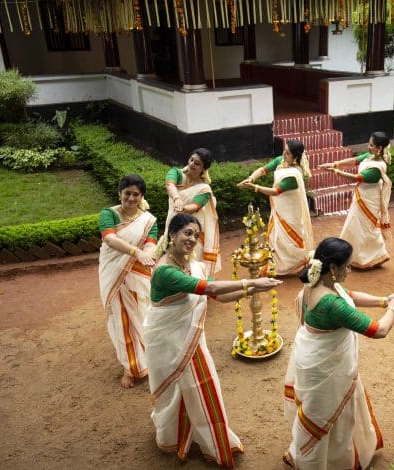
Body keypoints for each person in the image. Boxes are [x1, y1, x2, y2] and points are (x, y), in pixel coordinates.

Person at [145, 213, 282, 467]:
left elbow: (217, 297)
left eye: (196, 236)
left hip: (190, 339)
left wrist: (252, 290)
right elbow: (209, 289)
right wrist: (252, 280)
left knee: (196, 387)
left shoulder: (191, 265)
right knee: (180, 389)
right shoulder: (165, 271)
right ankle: (180, 436)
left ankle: (204, 437)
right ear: (172, 235)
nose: (192, 239)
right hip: (168, 342)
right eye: (187, 233)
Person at [283, 237, 394, 468]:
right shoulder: (332, 305)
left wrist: (384, 301)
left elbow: (350, 295)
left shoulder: (316, 283)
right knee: (330, 417)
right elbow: (379, 330)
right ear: (333, 268)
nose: (350, 269)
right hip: (328, 371)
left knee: (318, 415)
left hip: (313, 361)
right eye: (347, 266)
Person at [97, 174, 158, 388]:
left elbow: (151, 243)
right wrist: (136, 252)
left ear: (142, 197)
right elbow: (110, 239)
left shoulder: (148, 220)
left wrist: (147, 255)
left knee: (142, 313)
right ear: (120, 193)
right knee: (121, 319)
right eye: (127, 193)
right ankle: (129, 367)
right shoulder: (109, 214)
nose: (131, 198)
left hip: (138, 272)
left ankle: (149, 359)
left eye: (136, 194)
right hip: (114, 271)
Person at [318, 131, 392, 269]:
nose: (368, 147)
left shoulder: (378, 167)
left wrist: (336, 172)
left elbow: (357, 178)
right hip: (361, 197)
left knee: (366, 228)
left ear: (379, 148)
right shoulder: (370, 157)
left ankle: (371, 257)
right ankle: (355, 254)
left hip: (369, 200)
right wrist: (335, 164)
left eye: (371, 145)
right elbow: (354, 160)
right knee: (355, 226)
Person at [238, 140, 314, 275]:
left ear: (295, 157)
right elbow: (263, 169)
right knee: (275, 236)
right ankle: (278, 265)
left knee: (289, 239)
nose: (284, 154)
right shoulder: (281, 160)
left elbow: (275, 191)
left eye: (288, 153)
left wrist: (254, 187)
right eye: (284, 150)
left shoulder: (294, 174)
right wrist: (251, 178)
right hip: (279, 208)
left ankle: (295, 264)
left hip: (290, 211)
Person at [160, 148, 221, 276]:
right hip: (173, 223)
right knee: (170, 254)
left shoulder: (204, 188)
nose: (192, 164)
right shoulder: (176, 172)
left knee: (192, 260)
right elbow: (169, 185)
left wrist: (182, 208)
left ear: (203, 169)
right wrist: (177, 199)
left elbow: (195, 206)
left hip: (192, 228)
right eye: (191, 160)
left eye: (197, 163)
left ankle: (194, 288)